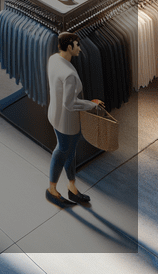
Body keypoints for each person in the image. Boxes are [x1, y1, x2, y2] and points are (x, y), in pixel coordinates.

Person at [45, 32, 102, 208]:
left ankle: (71, 186)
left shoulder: (54, 59)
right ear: (69, 47)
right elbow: (70, 104)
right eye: (77, 45)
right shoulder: (69, 73)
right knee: (63, 151)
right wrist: (92, 105)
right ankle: (52, 190)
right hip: (66, 121)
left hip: (55, 113)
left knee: (69, 151)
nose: (80, 48)